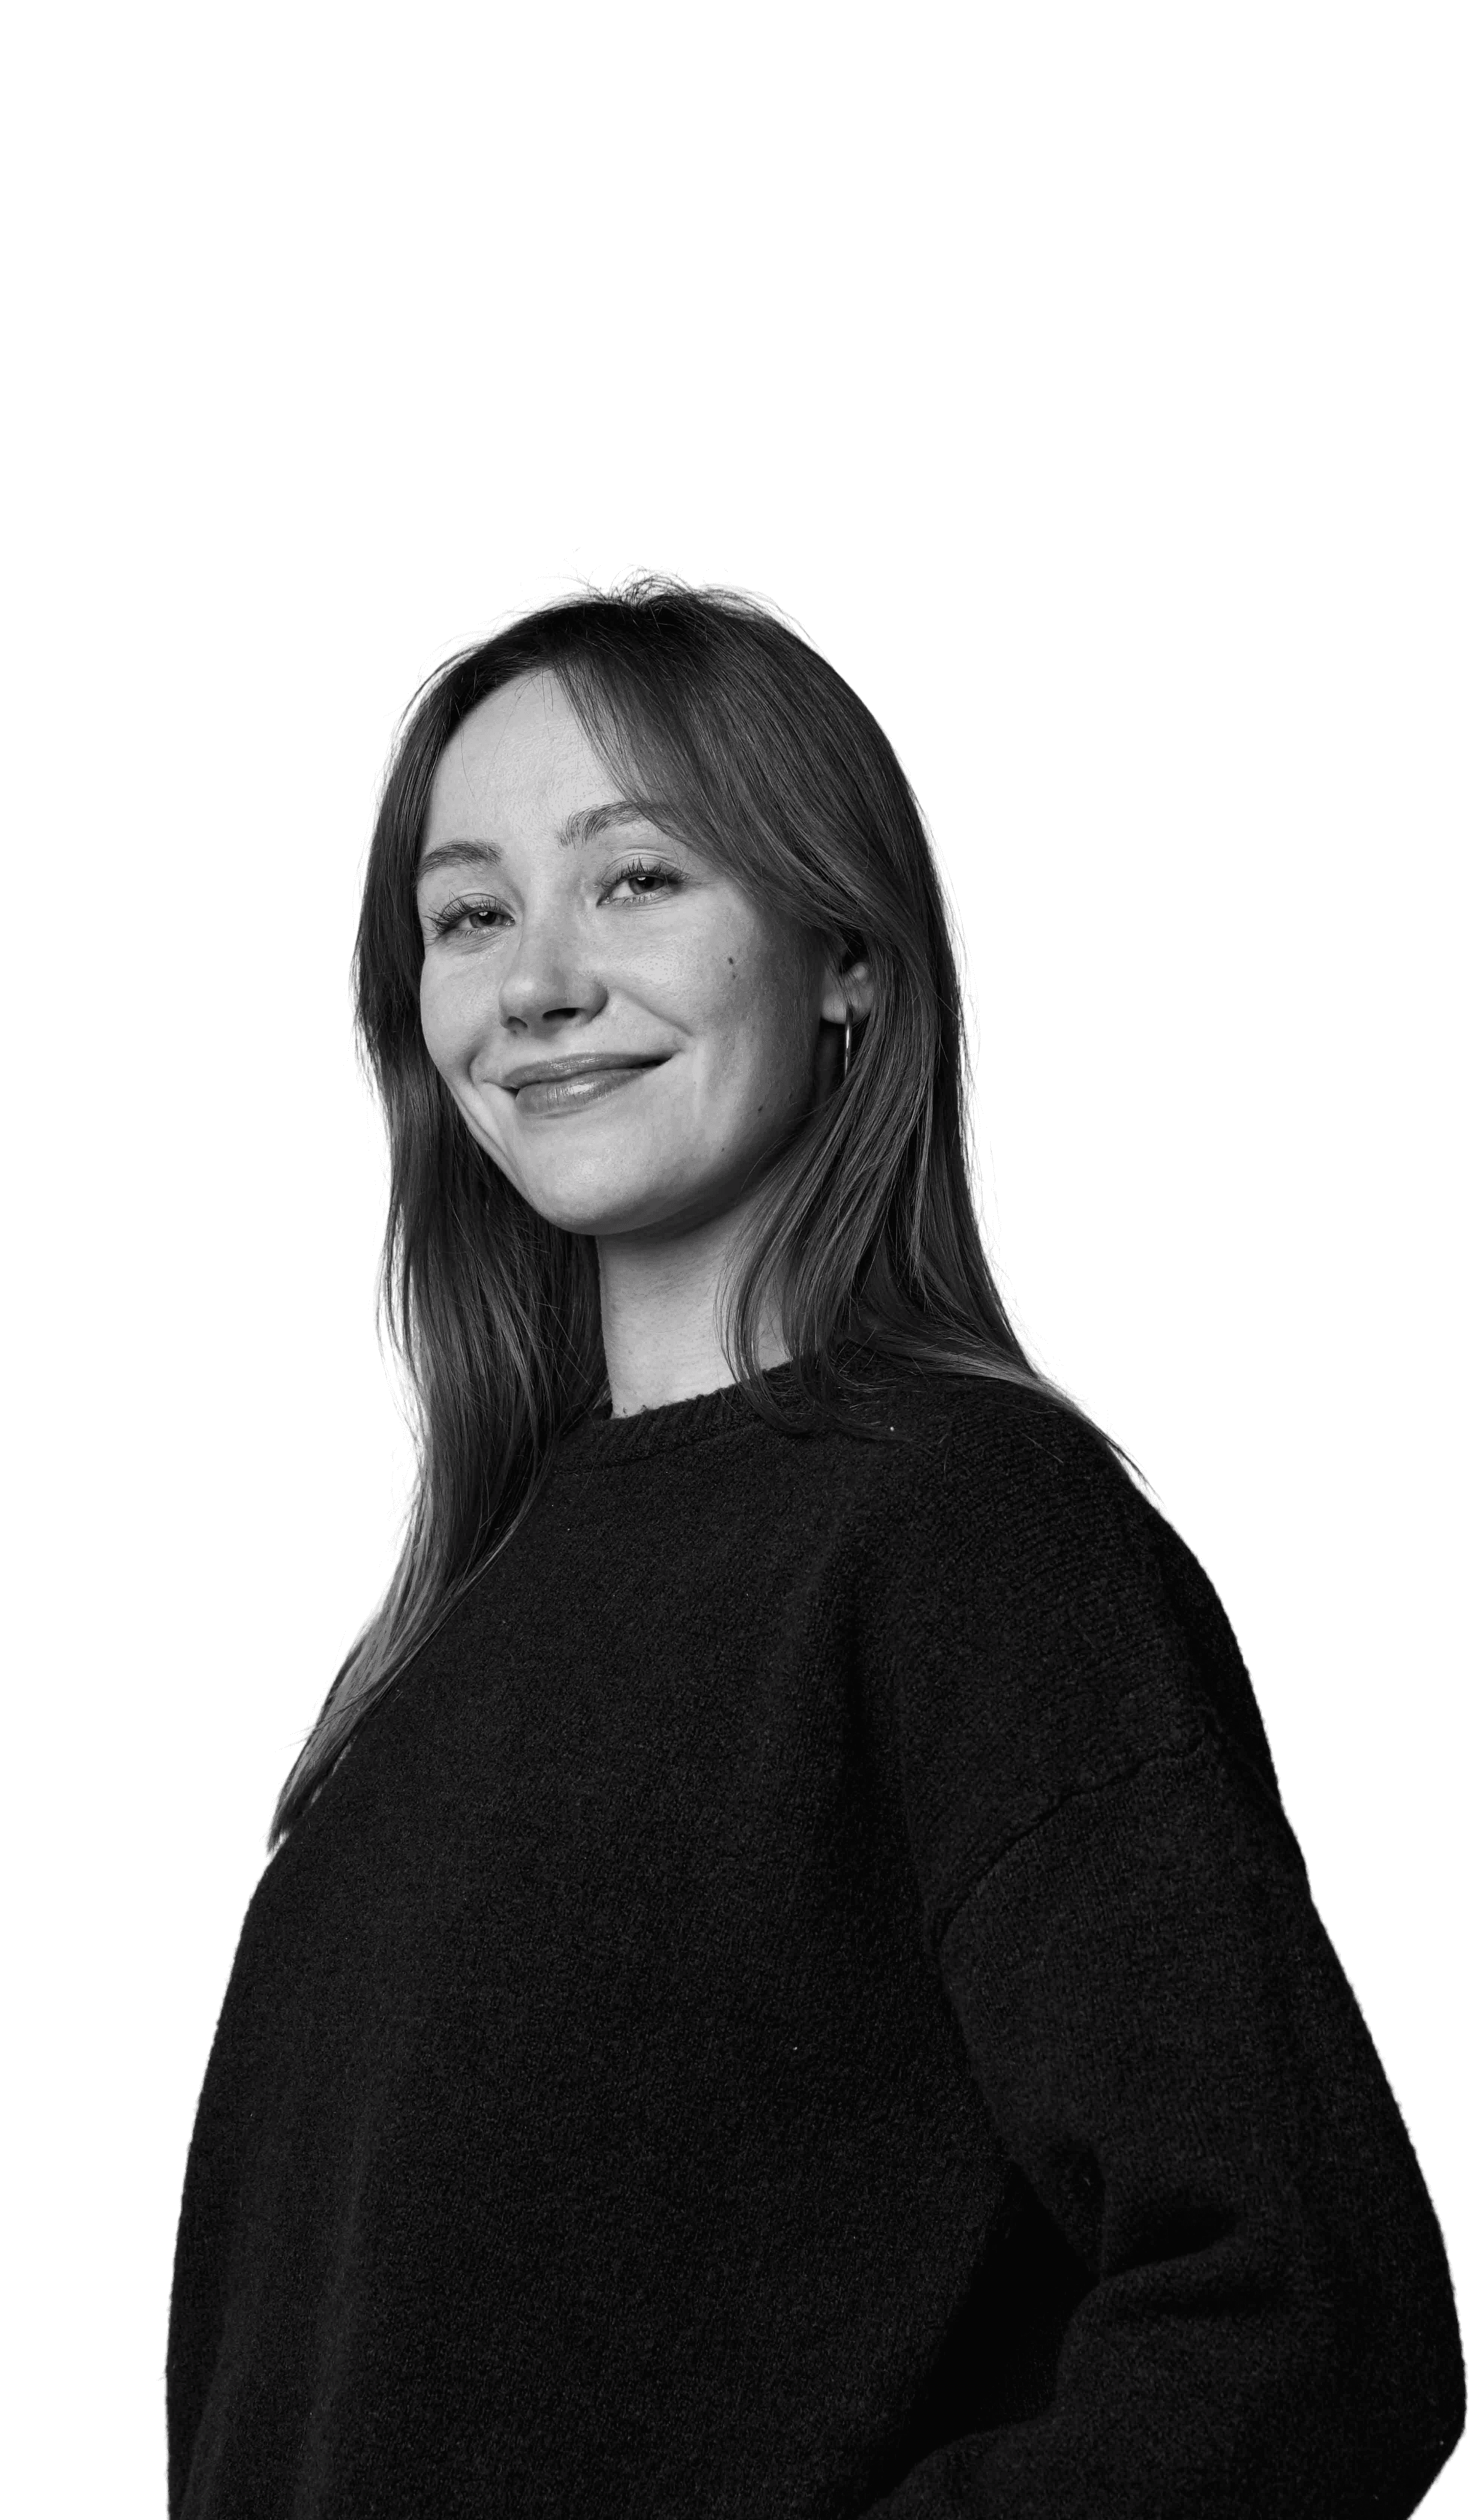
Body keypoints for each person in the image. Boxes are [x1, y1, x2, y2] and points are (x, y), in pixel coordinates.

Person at [164, 572, 1465, 2518]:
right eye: (469, 914)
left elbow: (1309, 2327)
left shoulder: (968, 1534)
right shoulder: (429, 1656)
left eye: (637, 880)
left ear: (842, 951)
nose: (537, 983)